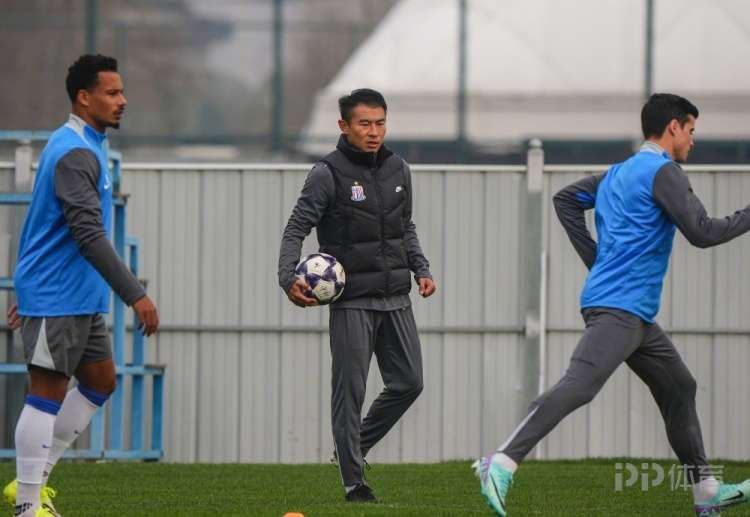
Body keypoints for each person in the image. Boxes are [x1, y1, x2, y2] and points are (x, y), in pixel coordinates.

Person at [474, 93, 750, 517]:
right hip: (619, 309)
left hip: (634, 314)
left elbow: (565, 199)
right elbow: (703, 231)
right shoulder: (665, 172)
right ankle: (502, 461)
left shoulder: (619, 173)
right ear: (673, 127)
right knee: (580, 384)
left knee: (680, 387)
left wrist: (598, 260)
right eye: (691, 131)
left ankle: (706, 490)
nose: (693, 141)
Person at [3, 54, 159, 517]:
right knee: (46, 392)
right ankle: (27, 505)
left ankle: (31, 483)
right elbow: (87, 234)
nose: (122, 100)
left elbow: (42, 224)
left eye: (122, 91)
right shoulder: (74, 152)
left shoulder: (86, 144)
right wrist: (135, 294)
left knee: (100, 381)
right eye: (112, 93)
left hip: (72, 295)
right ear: (84, 98)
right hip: (57, 295)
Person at [278, 88, 436, 502]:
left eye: (380, 123)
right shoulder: (326, 174)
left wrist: (421, 269)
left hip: (397, 297)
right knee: (350, 392)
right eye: (364, 123)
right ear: (344, 126)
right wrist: (287, 277)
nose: (373, 131)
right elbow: (296, 228)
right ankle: (354, 482)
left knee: (409, 382)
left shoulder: (399, 169)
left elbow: (405, 228)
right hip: (352, 302)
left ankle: (353, 447)